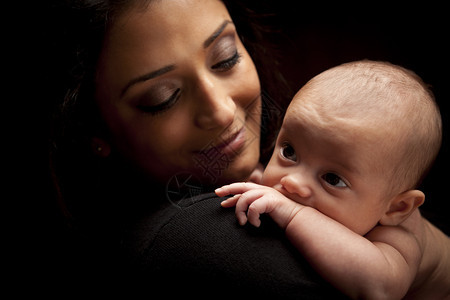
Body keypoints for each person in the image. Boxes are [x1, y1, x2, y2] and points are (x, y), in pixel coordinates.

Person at [47, 0, 348, 297]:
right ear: (93, 130)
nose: (221, 112)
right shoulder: (194, 243)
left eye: (225, 58)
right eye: (163, 98)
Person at [216, 60, 450, 299]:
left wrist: (293, 214)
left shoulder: (401, 235)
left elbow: (379, 289)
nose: (292, 182)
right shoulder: (362, 191)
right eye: (289, 152)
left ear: (396, 207)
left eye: (332, 179)